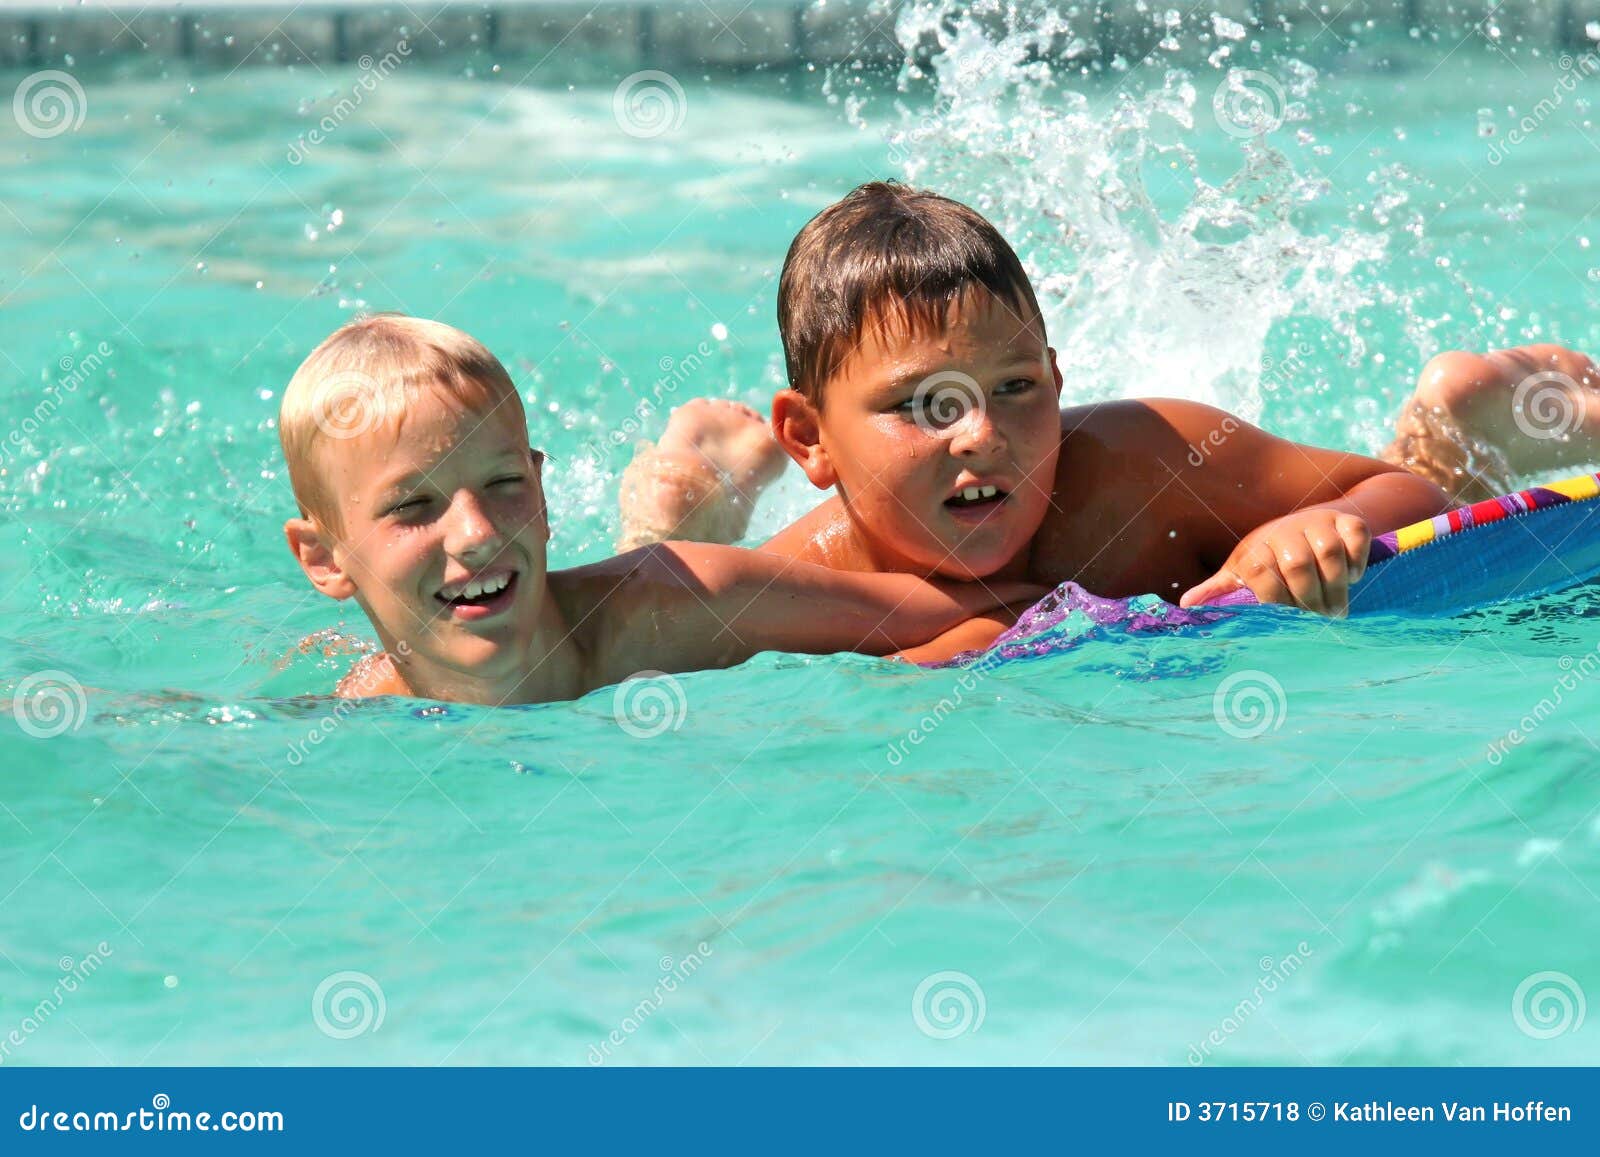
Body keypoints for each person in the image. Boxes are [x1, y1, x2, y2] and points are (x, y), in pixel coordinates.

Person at [617, 181, 1453, 662]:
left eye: (1016, 387)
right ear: (811, 438)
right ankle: (702, 483)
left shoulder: (1144, 465)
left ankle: (1450, 413)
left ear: (1057, 379)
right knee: (664, 550)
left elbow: (1415, 494)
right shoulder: (798, 592)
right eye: (921, 405)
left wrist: (1305, 530)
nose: (982, 433)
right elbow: (615, 641)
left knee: (1442, 448)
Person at [277, 314, 1041, 704]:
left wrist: (899, 681)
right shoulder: (359, 714)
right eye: (414, 505)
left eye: (504, 484)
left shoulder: (677, 605)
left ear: (541, 491)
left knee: (656, 554)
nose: (477, 533)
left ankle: (699, 476)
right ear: (322, 558)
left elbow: (994, 606)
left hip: (646, 596)